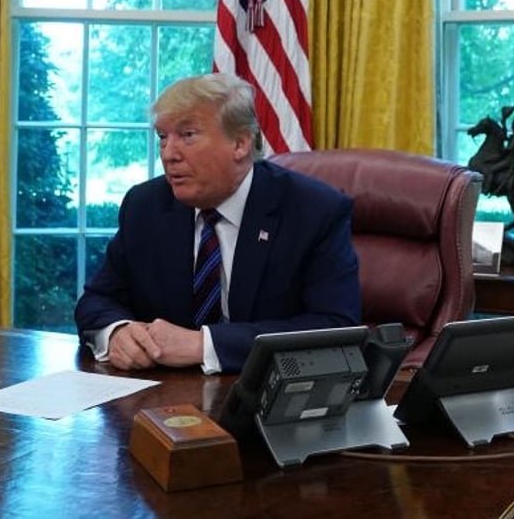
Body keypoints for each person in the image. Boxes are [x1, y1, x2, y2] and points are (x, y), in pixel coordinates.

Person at [74, 73, 361, 374]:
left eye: (187, 135)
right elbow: (97, 299)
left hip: (263, 401)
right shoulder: (145, 205)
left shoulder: (313, 210)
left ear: (240, 144)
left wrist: (205, 345)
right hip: (162, 401)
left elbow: (335, 328)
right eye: (162, 137)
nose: (169, 154)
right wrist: (117, 332)